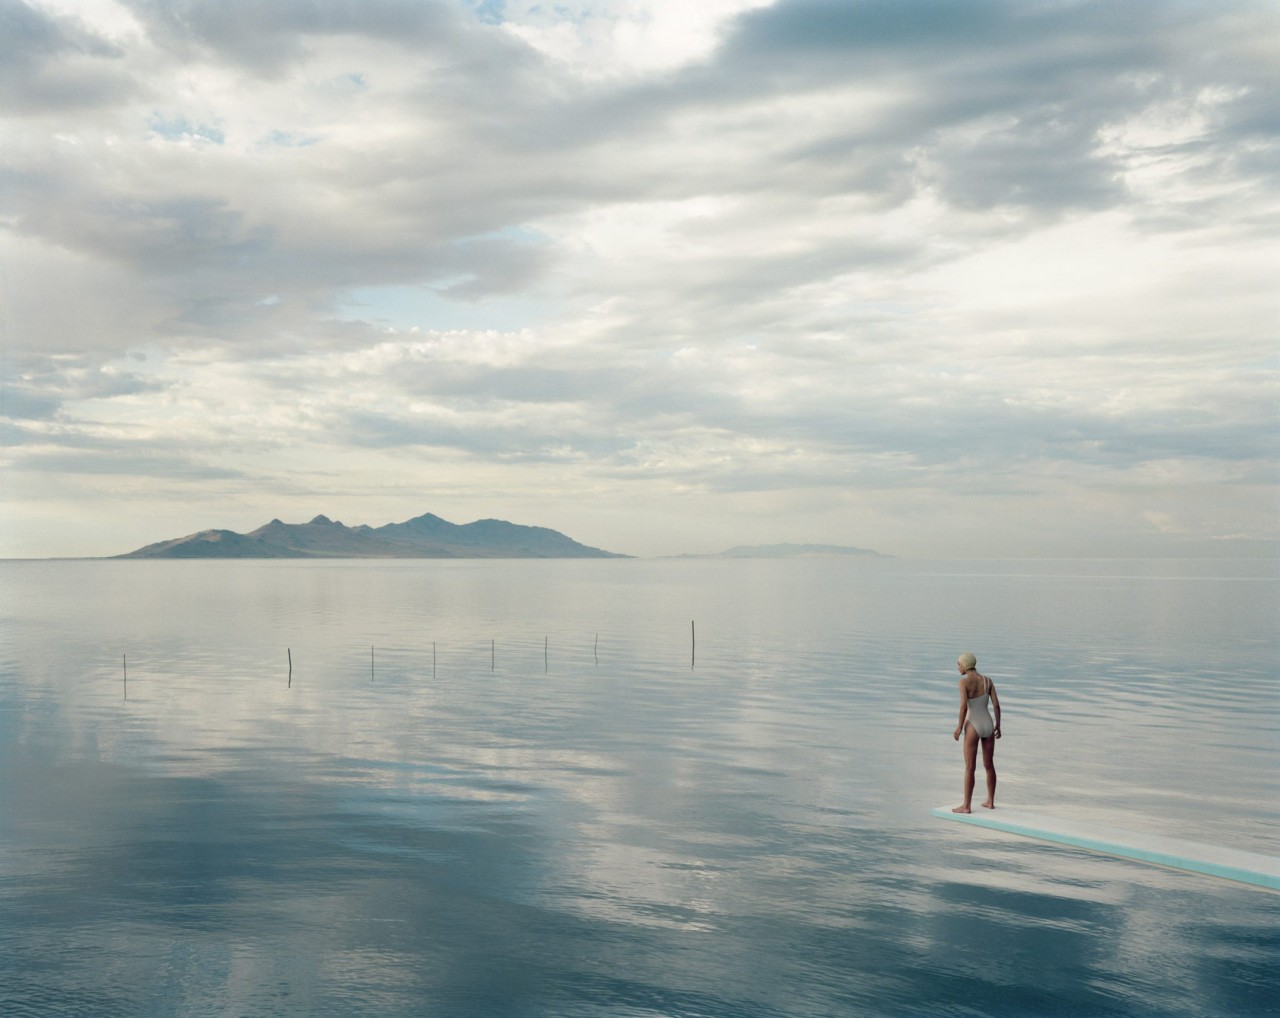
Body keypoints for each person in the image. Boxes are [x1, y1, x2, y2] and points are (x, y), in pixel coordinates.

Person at [951, 652, 1001, 813]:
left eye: (959, 664)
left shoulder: (963, 682)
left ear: (966, 665)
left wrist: (959, 727)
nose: (958, 667)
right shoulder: (987, 681)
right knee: (989, 765)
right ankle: (990, 801)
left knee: (969, 767)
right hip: (988, 722)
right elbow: (996, 705)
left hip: (973, 724)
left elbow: (964, 707)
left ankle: (966, 806)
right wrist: (998, 725)